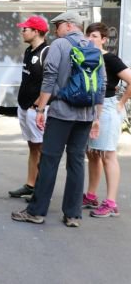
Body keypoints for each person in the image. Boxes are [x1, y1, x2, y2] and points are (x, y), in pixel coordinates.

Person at [12, 11, 105, 227]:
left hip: (62, 112)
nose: (55, 31)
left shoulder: (60, 46)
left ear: (68, 25)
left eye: (58, 26)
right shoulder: (93, 47)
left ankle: (36, 211)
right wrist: (96, 117)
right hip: (86, 115)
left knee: (49, 160)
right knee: (76, 162)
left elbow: (50, 77)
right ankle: (72, 215)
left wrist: (41, 109)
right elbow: (101, 84)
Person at [83, 22, 131, 218]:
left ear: (104, 39)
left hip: (109, 108)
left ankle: (111, 203)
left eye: (94, 36)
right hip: (90, 109)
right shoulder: (86, 57)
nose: (90, 39)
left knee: (108, 155)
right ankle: (91, 195)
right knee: (93, 153)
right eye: (88, 36)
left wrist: (122, 102)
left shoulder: (110, 59)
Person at [9, 16, 49, 199]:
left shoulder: (46, 52)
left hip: (37, 109)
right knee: (32, 146)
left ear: (37, 31)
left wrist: (38, 105)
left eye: (25, 29)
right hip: (23, 106)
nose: (22, 31)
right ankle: (30, 184)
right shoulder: (28, 51)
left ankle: (41, 189)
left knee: (40, 147)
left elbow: (52, 82)